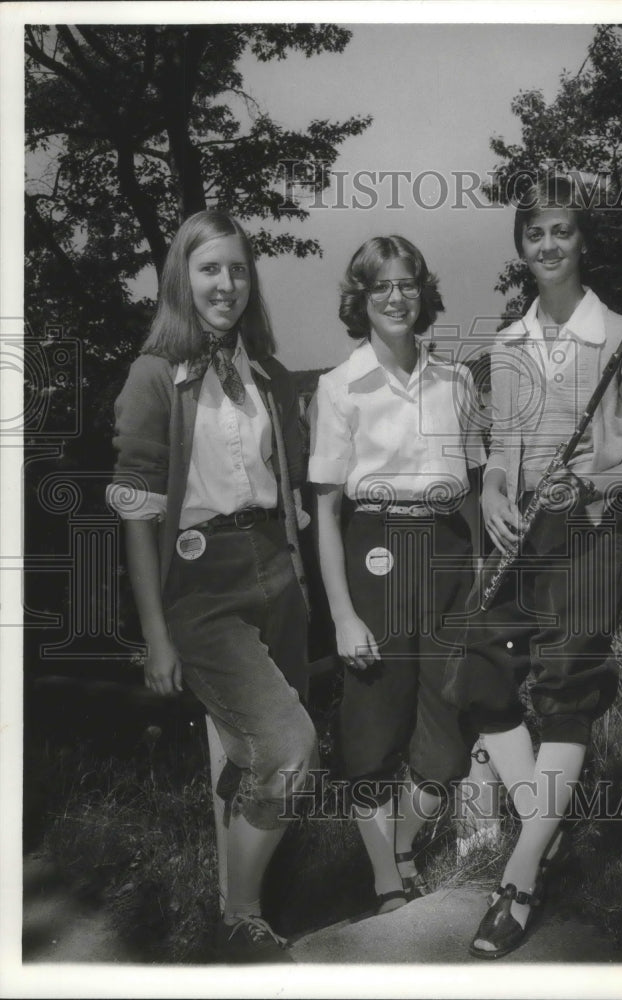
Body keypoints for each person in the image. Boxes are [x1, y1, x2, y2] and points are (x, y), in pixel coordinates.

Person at [443, 174, 622, 959]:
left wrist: (601, 483)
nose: (547, 245)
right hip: (524, 539)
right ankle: (549, 820)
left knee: (566, 683)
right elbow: (500, 457)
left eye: (561, 231)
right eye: (534, 233)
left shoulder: (621, 334)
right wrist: (494, 491)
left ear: (583, 241)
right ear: (521, 247)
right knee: (477, 671)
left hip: (594, 530)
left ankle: (518, 881)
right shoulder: (507, 345)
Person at [106, 210, 318, 963]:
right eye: (209, 270)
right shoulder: (154, 376)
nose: (225, 284)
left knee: (245, 756)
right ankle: (242, 914)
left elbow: (288, 482)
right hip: (199, 586)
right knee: (291, 748)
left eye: (236, 269)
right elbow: (136, 516)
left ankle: (234, 920)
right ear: (181, 279)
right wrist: (155, 634)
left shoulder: (268, 374)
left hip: (275, 572)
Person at [308, 235, 486, 914]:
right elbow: (323, 512)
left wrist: (474, 578)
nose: (395, 296)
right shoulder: (338, 385)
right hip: (372, 549)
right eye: (380, 285)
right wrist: (343, 614)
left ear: (423, 291)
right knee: (373, 731)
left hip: (443, 553)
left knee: (445, 745)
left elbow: (473, 488)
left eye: (407, 282)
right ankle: (386, 878)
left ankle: (405, 844)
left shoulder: (457, 382)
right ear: (360, 298)